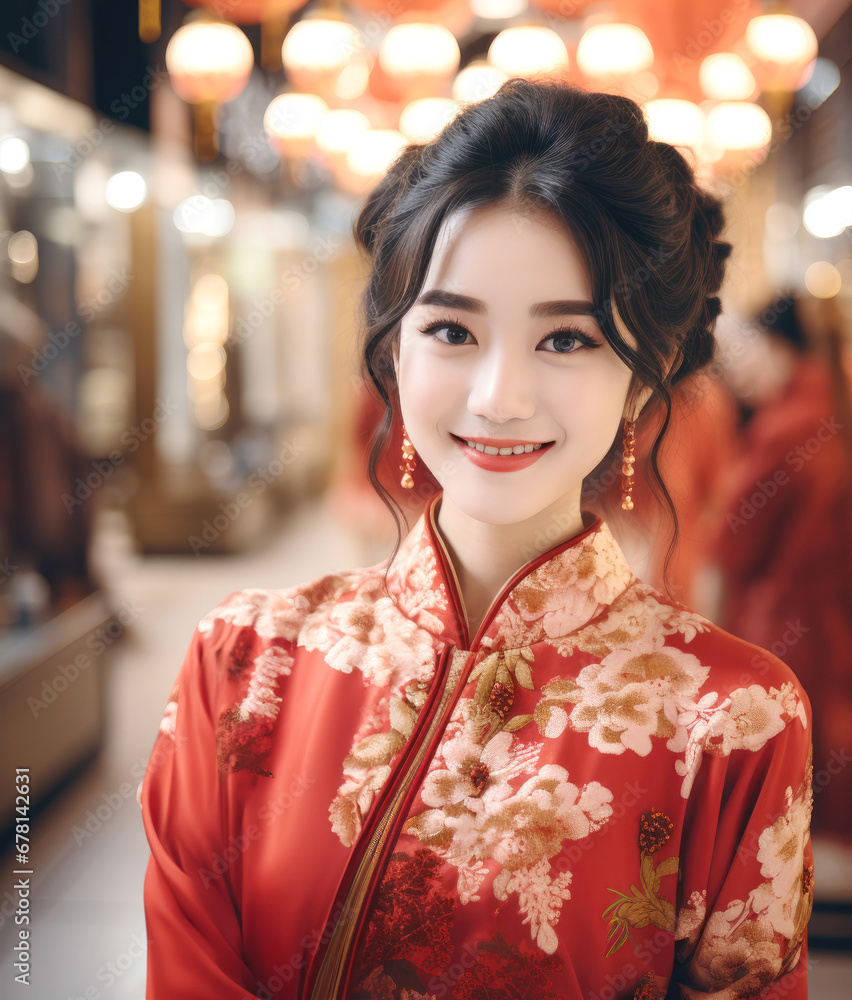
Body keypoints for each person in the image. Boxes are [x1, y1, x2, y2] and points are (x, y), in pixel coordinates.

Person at [140, 79, 813, 1000]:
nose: (499, 395)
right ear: (394, 355)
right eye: (453, 328)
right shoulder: (245, 665)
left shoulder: (734, 720)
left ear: (644, 380)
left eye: (567, 340)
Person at [711, 293, 852, 845]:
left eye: (750, 351)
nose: (742, 370)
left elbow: (733, 544)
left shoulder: (787, 427)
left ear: (781, 348)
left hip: (787, 628)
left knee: (782, 799)